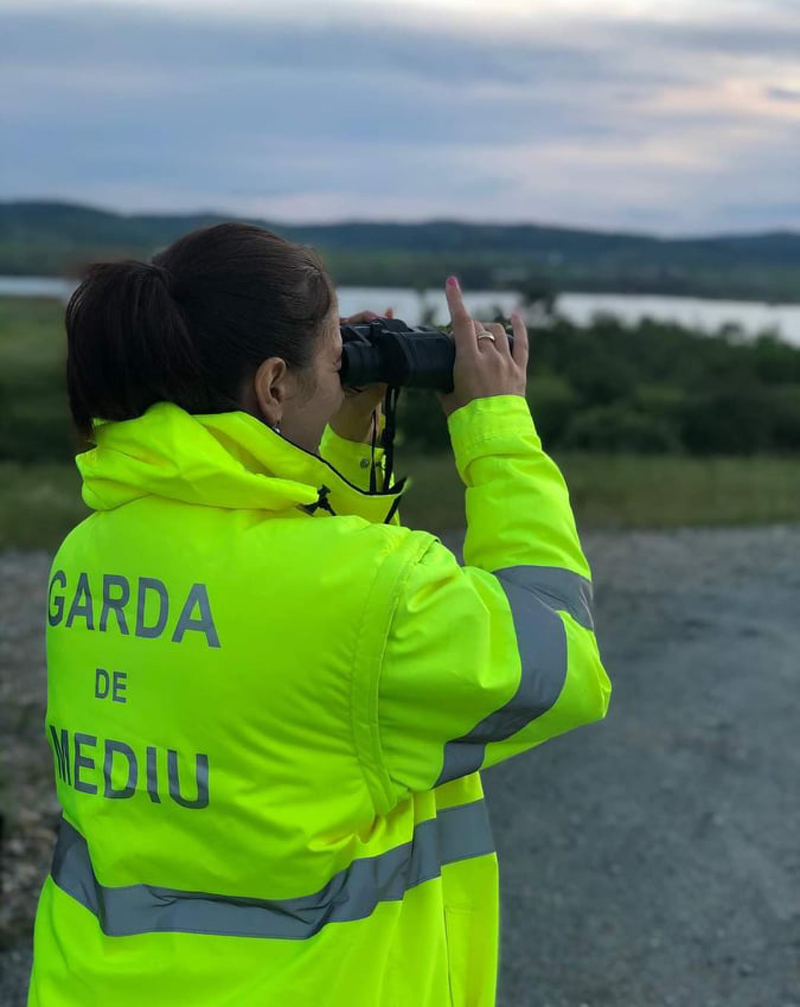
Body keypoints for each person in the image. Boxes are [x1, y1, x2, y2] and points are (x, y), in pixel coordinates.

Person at [27, 221, 611, 1007]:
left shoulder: (89, 551)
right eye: (337, 357)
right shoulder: (369, 588)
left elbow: (299, 613)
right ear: (274, 384)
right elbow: (565, 662)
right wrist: (499, 431)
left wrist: (347, 436)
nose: (345, 375)